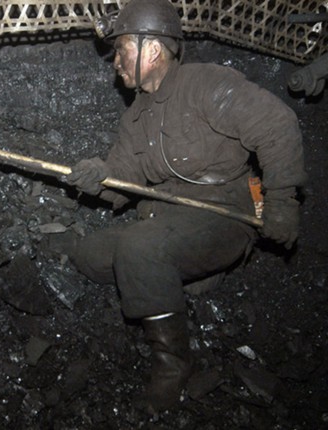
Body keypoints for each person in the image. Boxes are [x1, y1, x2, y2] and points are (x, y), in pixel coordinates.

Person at [64, 0, 307, 414]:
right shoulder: (136, 118)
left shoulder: (205, 85)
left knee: (139, 249)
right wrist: (99, 176)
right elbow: (124, 178)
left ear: (153, 49)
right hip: (169, 217)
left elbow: (276, 125)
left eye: (121, 49)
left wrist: (282, 200)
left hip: (224, 214)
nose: (115, 62)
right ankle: (178, 277)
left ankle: (174, 364)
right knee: (91, 255)